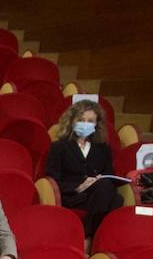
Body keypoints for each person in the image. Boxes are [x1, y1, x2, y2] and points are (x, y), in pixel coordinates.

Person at [44, 99, 123, 237]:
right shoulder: (59, 147)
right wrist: (79, 186)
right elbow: (52, 181)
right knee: (114, 199)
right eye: (82, 119)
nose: (86, 124)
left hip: (97, 193)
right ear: (72, 121)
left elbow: (109, 174)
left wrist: (98, 180)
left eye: (90, 121)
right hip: (73, 195)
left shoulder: (103, 149)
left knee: (111, 192)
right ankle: (94, 238)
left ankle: (88, 235)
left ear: (96, 124)